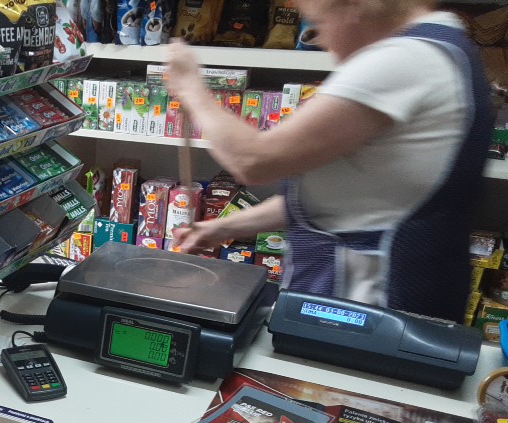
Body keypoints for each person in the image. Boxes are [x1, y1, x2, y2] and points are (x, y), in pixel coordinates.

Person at [164, 0, 491, 321]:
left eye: (319, 24)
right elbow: (354, 198)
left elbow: (252, 160)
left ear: (353, 7)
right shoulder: (448, 47)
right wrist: (222, 228)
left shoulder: (402, 59)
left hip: (367, 311)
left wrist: (192, 89)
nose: (320, 41)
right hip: (394, 304)